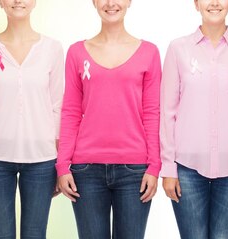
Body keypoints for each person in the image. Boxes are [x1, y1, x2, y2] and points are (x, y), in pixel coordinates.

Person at [55, 0, 162, 238]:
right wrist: (63, 165)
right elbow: (71, 111)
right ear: (94, 2)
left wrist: (154, 166)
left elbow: (152, 112)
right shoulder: (76, 52)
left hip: (135, 171)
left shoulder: (149, 53)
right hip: (86, 171)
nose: (111, 3)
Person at [160, 0, 228, 238]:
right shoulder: (178, 49)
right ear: (196, 3)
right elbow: (168, 112)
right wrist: (168, 167)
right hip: (187, 167)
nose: (215, 3)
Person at [0, 0, 64, 238]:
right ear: (1, 3)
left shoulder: (52, 49)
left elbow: (58, 107)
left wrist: (61, 163)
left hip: (42, 159)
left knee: (35, 234)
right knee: (0, 235)